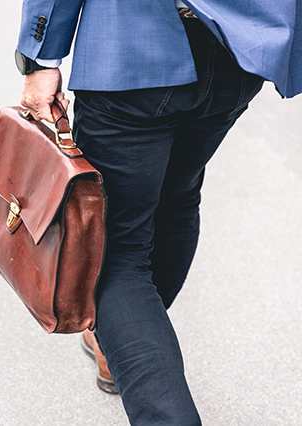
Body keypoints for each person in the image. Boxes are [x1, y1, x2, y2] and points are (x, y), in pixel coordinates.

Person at [15, 0, 301, 424]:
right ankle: (120, 340)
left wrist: (40, 58)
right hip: (239, 49)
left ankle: (129, 345)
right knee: (177, 196)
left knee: (115, 250)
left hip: (132, 49)